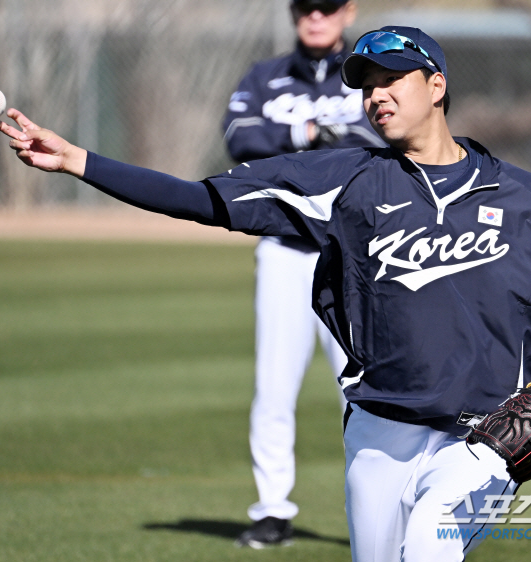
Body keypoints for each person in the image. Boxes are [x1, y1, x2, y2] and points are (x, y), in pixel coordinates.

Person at [0, 25, 531, 562]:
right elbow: (203, 200)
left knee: (428, 549)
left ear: (437, 85)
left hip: (482, 440)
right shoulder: (342, 182)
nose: (375, 96)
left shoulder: (527, 199)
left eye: (392, 79)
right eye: (365, 85)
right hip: (378, 432)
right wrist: (81, 161)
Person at [221, 0, 383, 547]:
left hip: (355, 253)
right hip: (285, 250)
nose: (316, 15)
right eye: (304, 6)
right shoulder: (265, 76)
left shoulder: (370, 73)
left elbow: (392, 140)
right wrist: (306, 136)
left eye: (327, 5)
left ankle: (379, 510)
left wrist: (338, 142)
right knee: (273, 385)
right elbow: (241, 139)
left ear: (348, 11)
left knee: (363, 388)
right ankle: (271, 510)